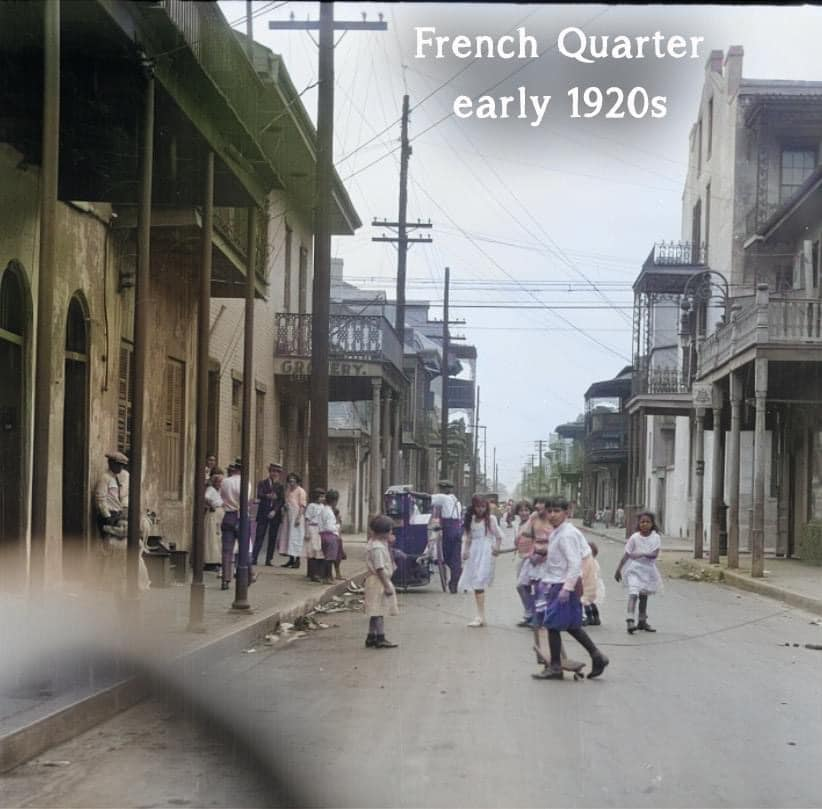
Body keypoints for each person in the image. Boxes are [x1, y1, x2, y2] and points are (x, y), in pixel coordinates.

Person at [532, 497, 609, 680]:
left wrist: (567, 589)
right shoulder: (557, 532)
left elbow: (574, 563)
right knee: (572, 626)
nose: (552, 515)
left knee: (552, 625)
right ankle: (598, 656)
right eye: (550, 511)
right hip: (558, 581)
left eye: (557, 511)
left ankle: (556, 667)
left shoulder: (567, 534)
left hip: (565, 584)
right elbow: (558, 559)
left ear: (567, 512)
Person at [458, 495, 503, 627]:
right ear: (474, 506)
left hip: (486, 553)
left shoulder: (491, 519)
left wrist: (496, 548)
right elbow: (468, 538)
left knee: (479, 582)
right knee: (475, 582)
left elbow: (498, 536)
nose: (481, 509)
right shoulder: (470, 520)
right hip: (474, 553)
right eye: (478, 506)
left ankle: (480, 616)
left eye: (483, 506)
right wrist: (465, 551)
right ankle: (480, 616)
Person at [615, 511, 662, 634]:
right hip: (635, 569)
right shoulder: (634, 537)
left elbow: (654, 554)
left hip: (648, 570)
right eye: (642, 522)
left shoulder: (655, 537)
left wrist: (641, 553)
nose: (645, 524)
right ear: (639, 523)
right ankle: (630, 619)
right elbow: (627, 554)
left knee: (643, 595)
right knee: (633, 592)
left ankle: (642, 621)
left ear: (652, 524)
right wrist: (619, 569)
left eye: (648, 522)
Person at [364, 514, 399, 649]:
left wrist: (390, 542)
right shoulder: (377, 548)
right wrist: (386, 585)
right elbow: (379, 568)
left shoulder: (375, 543)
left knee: (375, 610)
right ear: (384, 532)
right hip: (378, 581)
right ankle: (380, 637)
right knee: (379, 611)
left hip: (376, 580)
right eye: (390, 530)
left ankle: (371, 636)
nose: (391, 533)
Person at [219, 462, 251, 591]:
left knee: (227, 550)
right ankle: (248, 574)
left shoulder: (225, 482)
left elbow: (222, 497)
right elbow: (246, 499)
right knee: (244, 547)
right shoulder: (245, 482)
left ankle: (225, 579)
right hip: (241, 516)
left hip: (228, 515)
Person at [430, 479, 463, 594]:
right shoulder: (456, 501)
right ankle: (455, 580)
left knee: (446, 557)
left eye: (439, 488)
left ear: (444, 489)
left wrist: (411, 493)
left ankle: (456, 575)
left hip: (449, 531)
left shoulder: (443, 498)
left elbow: (428, 498)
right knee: (456, 558)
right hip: (458, 530)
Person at [252, 463, 284, 567]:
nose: (274, 474)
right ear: (269, 472)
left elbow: (281, 500)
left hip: (274, 514)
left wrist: (275, 510)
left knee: (272, 537)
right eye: (272, 471)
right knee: (259, 535)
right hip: (263, 512)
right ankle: (254, 557)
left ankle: (268, 560)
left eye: (276, 472)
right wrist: (268, 496)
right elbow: (259, 494)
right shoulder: (262, 483)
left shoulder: (280, 486)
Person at [95, 451, 130, 542]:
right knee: (110, 542)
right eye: (118, 465)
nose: (121, 467)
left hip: (116, 515)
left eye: (122, 465)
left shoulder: (115, 478)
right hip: (108, 515)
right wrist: (107, 517)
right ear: (111, 463)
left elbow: (121, 496)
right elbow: (100, 499)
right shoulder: (105, 478)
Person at [276, 473, 307, 568]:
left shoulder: (301, 491)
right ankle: (290, 559)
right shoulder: (288, 490)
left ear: (297, 481)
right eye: (290, 481)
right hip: (288, 516)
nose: (291, 483)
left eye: (293, 481)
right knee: (288, 537)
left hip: (296, 516)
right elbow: (287, 501)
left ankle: (297, 560)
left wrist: (298, 518)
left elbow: (302, 506)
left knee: (296, 537)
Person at [318, 490, 341, 585]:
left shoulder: (323, 510)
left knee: (327, 557)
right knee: (330, 558)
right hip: (330, 535)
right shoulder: (329, 512)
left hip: (323, 535)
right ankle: (327, 577)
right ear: (334, 501)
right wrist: (337, 525)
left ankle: (326, 576)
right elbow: (329, 527)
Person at [204, 468, 225, 571]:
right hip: (213, 514)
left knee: (218, 538)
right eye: (219, 482)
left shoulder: (220, 491)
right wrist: (210, 505)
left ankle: (218, 560)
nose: (220, 484)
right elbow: (205, 497)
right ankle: (211, 561)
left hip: (220, 515)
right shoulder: (210, 489)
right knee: (211, 538)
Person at [303, 488, 325, 582]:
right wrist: (307, 532)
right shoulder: (311, 506)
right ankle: (312, 573)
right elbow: (307, 519)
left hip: (320, 529)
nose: (322, 498)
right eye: (320, 496)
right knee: (312, 551)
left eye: (323, 496)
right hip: (312, 528)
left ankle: (319, 572)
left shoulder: (323, 506)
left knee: (319, 551)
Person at [581, 540, 604, 626]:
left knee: (586, 602)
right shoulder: (594, 562)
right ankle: (596, 618)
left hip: (590, 585)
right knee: (592, 603)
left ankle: (589, 617)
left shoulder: (589, 562)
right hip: (596, 584)